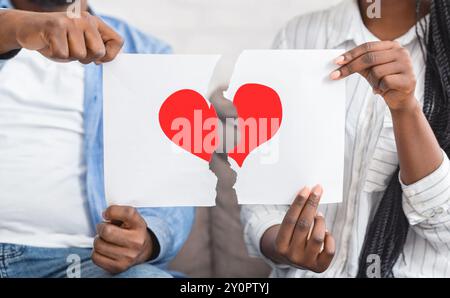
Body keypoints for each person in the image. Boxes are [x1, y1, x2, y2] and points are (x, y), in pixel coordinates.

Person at [241, 0, 450, 278]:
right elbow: (261, 186)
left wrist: (406, 110)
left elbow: (444, 229)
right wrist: (281, 243)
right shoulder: (298, 37)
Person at [0, 0, 194, 278]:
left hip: (83, 263)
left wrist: (147, 238)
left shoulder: (148, 54)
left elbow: (177, 177)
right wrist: (15, 26)